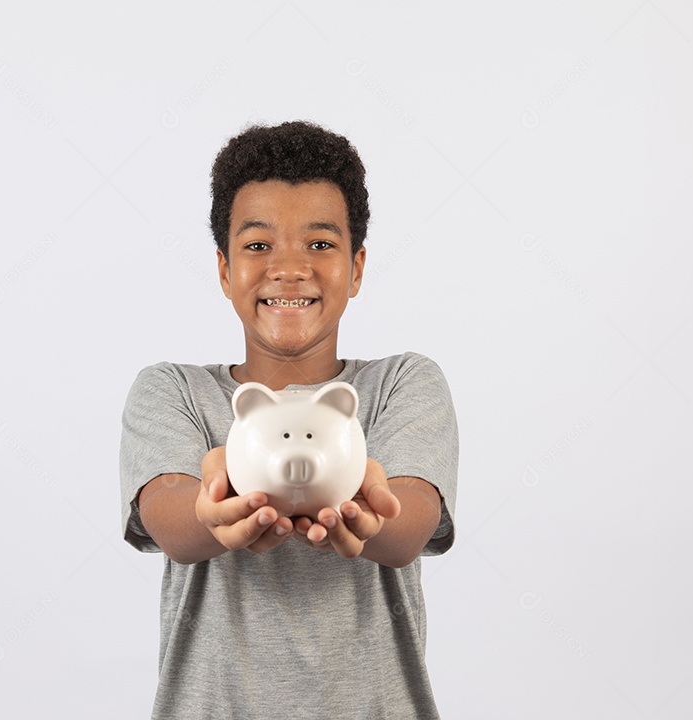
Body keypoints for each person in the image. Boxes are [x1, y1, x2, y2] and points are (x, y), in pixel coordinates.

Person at [119, 120, 459, 719]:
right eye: (257, 245)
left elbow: (411, 522)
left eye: (320, 244)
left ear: (356, 269)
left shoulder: (400, 384)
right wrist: (212, 506)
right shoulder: (173, 390)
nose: (289, 268)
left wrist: (372, 513)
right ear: (224, 270)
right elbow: (169, 515)